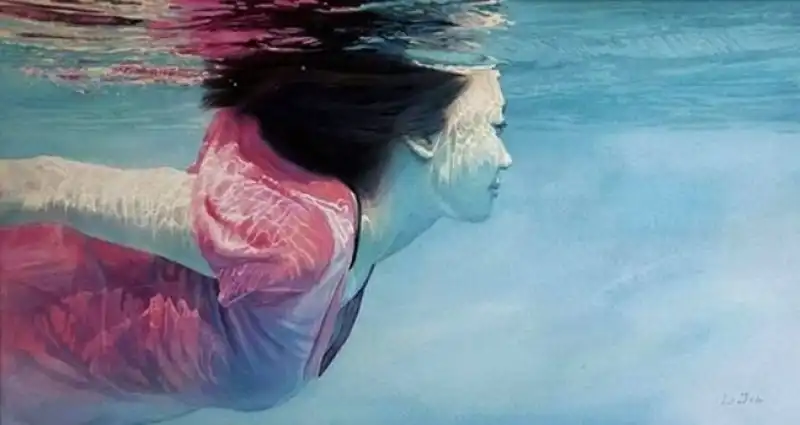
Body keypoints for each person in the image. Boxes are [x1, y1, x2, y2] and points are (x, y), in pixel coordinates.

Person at [0, 4, 511, 425]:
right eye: (494, 127)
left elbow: (150, 384)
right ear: (422, 136)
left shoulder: (361, 244)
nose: (506, 157)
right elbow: (48, 188)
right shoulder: (297, 241)